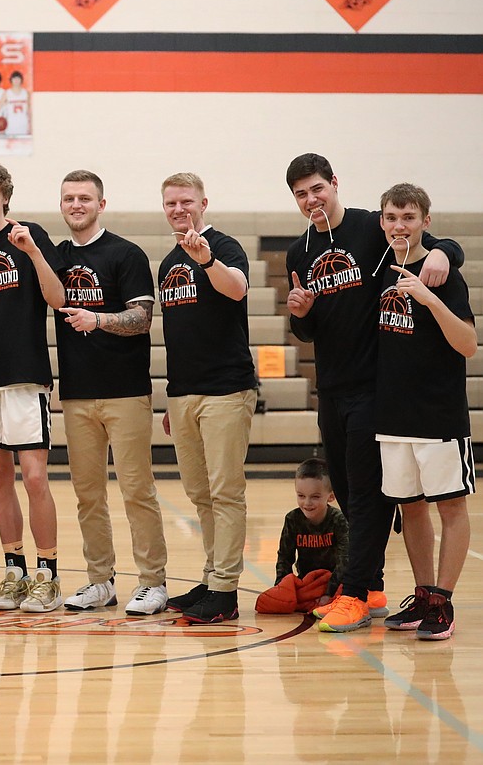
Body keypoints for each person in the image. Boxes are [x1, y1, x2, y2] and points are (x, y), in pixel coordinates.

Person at [283, 153, 463, 632]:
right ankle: (374, 587)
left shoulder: (369, 229)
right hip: (332, 388)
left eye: (317, 188)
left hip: (374, 389)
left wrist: (446, 252)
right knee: (348, 492)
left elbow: (426, 238)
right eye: (301, 194)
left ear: (334, 184)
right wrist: (300, 313)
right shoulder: (299, 252)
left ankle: (356, 592)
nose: (311, 200)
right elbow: (306, 332)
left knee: (367, 498)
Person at [52, 170, 168, 615]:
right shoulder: (57, 256)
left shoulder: (126, 253)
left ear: (101, 203)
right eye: (69, 198)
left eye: (84, 198)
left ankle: (153, 582)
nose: (76, 204)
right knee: (88, 494)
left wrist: (97, 319)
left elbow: (141, 318)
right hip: (77, 394)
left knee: (137, 490)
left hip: (125, 393)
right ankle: (100, 581)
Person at [0, 163, 67, 613]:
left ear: (5, 196)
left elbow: (59, 299)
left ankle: (49, 574)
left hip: (25, 375)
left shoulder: (30, 234)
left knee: (35, 477)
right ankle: (15, 569)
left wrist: (35, 253)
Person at [373, 184, 474, 640]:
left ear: (425, 223)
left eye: (409, 217)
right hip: (392, 415)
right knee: (410, 508)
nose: (400, 225)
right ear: (382, 221)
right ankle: (423, 595)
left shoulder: (445, 274)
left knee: (450, 506)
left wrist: (430, 298)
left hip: (438, 414)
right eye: (392, 217)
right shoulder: (380, 269)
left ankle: (445, 602)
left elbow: (468, 345)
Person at [156, 172, 257, 625]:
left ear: (203, 203)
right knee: (200, 495)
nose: (179, 210)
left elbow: (236, 288)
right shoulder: (166, 263)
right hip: (184, 395)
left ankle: (226, 590)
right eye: (171, 204)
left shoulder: (225, 246)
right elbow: (181, 335)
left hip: (225, 390)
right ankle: (213, 575)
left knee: (225, 493)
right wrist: (172, 399)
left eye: (186, 202)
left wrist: (209, 259)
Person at [255, 458, 348, 615]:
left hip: (334, 581)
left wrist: (328, 593)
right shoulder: (292, 519)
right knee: (269, 602)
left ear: (330, 497)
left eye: (315, 497)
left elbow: (345, 561)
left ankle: (331, 603)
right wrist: (282, 589)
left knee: (347, 591)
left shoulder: (339, 520)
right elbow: (284, 558)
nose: (307, 503)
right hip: (306, 583)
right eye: (301, 496)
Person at [4, 71, 30, 136]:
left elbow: (29, 111)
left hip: (23, 124)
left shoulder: (26, 93)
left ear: (21, 80)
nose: (16, 80)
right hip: (10, 124)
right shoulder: (7, 93)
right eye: (14, 78)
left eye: (18, 78)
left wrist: (30, 125)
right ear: (11, 80)